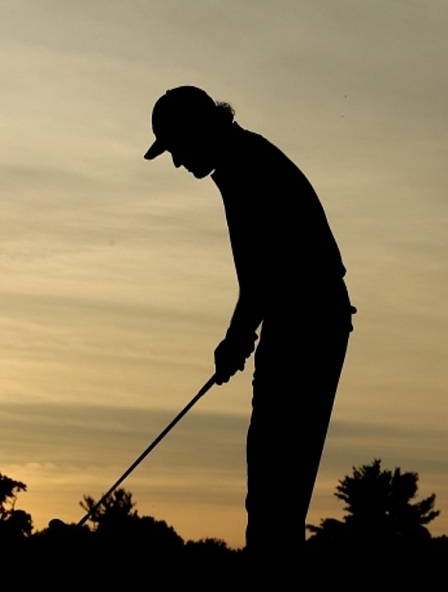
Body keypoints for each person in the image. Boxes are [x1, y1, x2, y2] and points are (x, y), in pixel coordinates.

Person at [144, 86, 357, 559]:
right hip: (303, 322)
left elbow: (265, 273)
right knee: (273, 485)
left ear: (196, 131)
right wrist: (240, 336)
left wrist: (237, 337)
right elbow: (261, 276)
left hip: (309, 326)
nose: (177, 163)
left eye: (175, 148)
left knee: (276, 486)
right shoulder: (242, 161)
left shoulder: (247, 168)